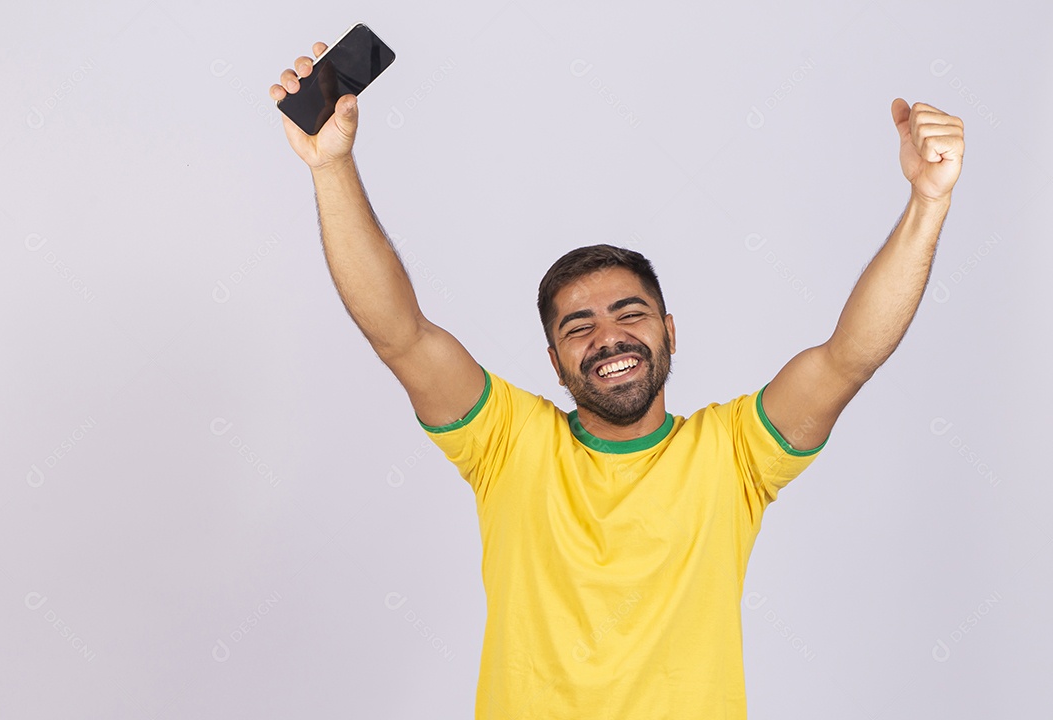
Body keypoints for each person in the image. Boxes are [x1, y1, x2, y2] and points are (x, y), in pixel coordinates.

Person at [270, 41, 965, 720]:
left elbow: (849, 357)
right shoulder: (508, 444)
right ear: (553, 361)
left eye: (629, 314)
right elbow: (402, 335)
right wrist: (332, 168)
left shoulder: (734, 456)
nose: (608, 337)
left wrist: (928, 204)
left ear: (668, 331)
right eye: (578, 326)